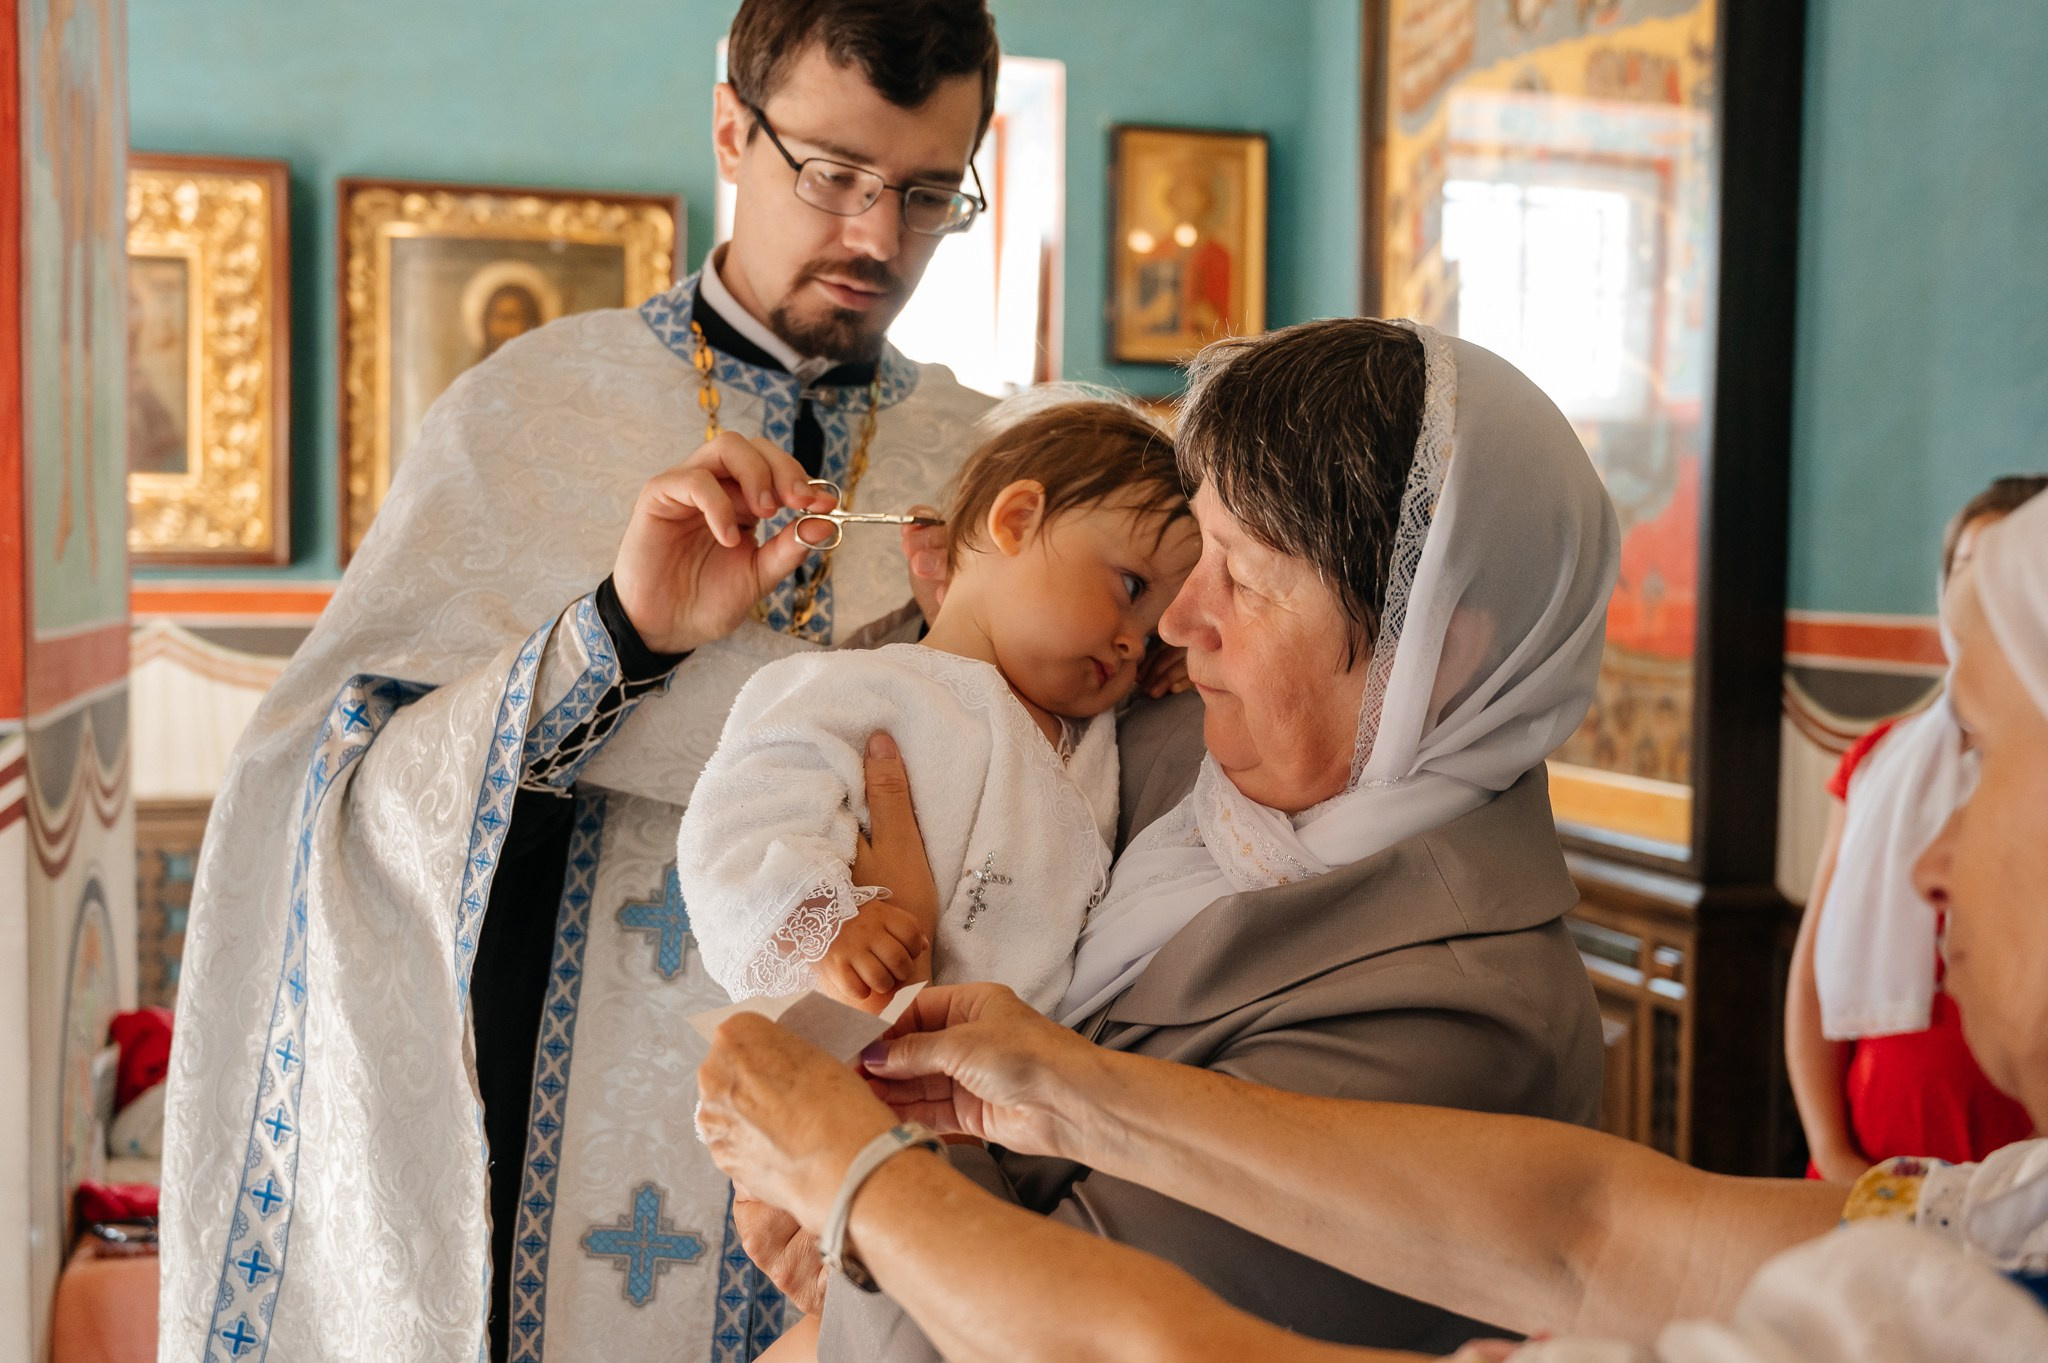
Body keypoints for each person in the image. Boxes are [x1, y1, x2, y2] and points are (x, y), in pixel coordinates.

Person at [695, 483, 2048, 1362]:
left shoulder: (1456, 984)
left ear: (1421, 642)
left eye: (1976, 751)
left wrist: (856, 1172)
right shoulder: (2006, 1216)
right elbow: (1594, 1228)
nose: (1920, 856)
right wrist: (1063, 1085)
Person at [158, 4, 1011, 1361]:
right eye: (833, 174)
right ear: (732, 129)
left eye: (923, 192)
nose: (872, 237)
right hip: (541, 1124)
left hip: (870, 1126)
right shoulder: (534, 408)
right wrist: (619, 633)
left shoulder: (984, 465)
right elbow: (345, 782)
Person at [724, 315, 1623, 1360]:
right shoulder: (1187, 748)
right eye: (1193, 553)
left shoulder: (1457, 1020)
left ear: (1434, 654)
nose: (1173, 622)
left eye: (1240, 577)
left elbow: (1039, 1337)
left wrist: (855, 1170)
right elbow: (951, 707)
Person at [680, 397, 1196, 1013]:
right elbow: (737, 823)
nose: (1132, 642)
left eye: (1155, 632)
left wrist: (1188, 656)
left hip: (1003, 1072)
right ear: (1019, 519)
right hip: (846, 1047)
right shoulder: (858, 688)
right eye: (1131, 587)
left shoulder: (1097, 741)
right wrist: (825, 927)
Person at [1786, 474, 2044, 1182]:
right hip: (1879, 1142)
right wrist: (1832, 1151)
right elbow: (1810, 975)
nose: (1932, 871)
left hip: (2008, 1148)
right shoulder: (1880, 762)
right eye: (1965, 572)